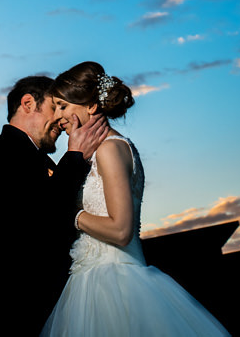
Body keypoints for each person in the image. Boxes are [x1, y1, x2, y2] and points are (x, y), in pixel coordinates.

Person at [41, 62, 230, 336]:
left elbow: (120, 230)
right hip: (91, 280)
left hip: (115, 282)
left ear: (91, 107)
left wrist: (71, 213)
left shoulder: (110, 149)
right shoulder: (99, 152)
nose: (57, 116)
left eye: (62, 106)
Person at [0, 75, 109, 336]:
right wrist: (74, 157)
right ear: (28, 103)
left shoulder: (36, 158)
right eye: (54, 107)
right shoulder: (1, 153)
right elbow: (42, 218)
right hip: (19, 315)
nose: (61, 119)